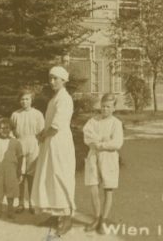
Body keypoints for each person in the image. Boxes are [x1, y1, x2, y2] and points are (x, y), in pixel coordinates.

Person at [31, 66, 76, 236]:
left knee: (60, 177)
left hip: (59, 144)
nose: (52, 82)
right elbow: (50, 124)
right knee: (49, 176)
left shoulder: (65, 99)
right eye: (50, 78)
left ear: (64, 80)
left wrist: (44, 136)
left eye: (55, 78)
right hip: (51, 142)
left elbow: (56, 126)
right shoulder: (54, 98)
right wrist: (43, 134)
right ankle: (54, 214)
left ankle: (66, 217)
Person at [83, 93, 123, 234]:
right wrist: (103, 139)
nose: (105, 109)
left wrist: (101, 144)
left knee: (108, 188)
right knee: (93, 186)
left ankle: (103, 220)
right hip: (93, 156)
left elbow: (117, 143)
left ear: (113, 108)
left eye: (108, 107)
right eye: (103, 106)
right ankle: (96, 217)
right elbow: (87, 137)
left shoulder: (116, 123)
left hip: (109, 158)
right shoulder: (93, 121)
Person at [10, 88, 44, 214]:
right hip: (20, 144)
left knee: (31, 176)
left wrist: (39, 145)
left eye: (27, 99)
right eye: (22, 99)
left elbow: (41, 132)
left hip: (33, 145)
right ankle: (20, 203)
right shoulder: (15, 114)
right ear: (19, 101)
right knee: (20, 175)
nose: (24, 102)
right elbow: (12, 130)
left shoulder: (37, 114)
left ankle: (31, 202)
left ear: (32, 100)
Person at [0, 118, 24, 219]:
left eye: (7, 128)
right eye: (1, 128)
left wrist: (19, 169)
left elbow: (20, 156)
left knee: (11, 188)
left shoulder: (15, 142)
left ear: (11, 129)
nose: (4, 130)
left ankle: (10, 209)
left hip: (11, 168)